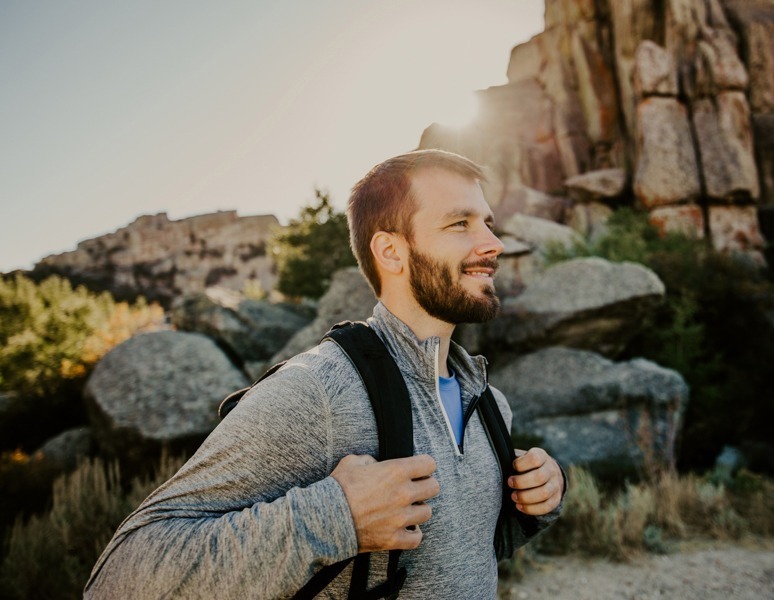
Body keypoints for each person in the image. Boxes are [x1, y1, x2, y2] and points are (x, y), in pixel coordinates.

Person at [85, 149, 565, 599]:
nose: (493, 243)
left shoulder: (488, 402)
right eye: (460, 223)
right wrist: (336, 515)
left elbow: (462, 558)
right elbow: (118, 579)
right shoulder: (322, 390)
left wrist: (540, 501)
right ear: (392, 252)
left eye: (487, 222)